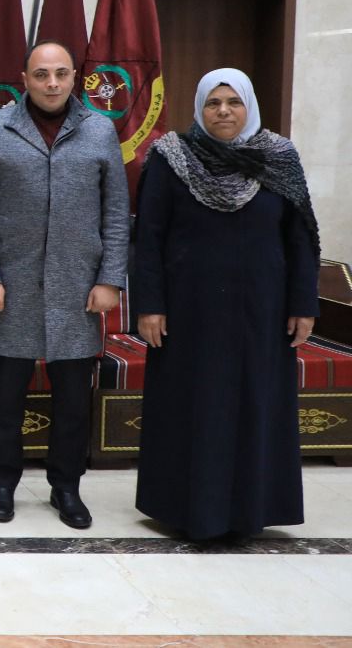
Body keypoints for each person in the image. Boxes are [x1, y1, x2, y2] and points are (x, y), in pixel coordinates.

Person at [133, 68, 319, 540]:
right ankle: (187, 509)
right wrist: (149, 305)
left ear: (249, 106)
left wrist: (303, 304)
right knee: (194, 407)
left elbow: (301, 239)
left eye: (233, 102)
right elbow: (148, 237)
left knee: (255, 405)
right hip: (188, 313)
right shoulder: (171, 157)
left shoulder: (279, 157)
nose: (223, 111)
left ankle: (250, 510)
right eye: (213, 103)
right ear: (199, 108)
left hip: (264, 313)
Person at [0, 40, 129, 529]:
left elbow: (116, 212)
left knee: (73, 402)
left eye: (60, 73)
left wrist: (110, 280)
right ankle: (1, 484)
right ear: (25, 79)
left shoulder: (99, 130)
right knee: (5, 399)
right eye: (41, 74)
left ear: (75, 77)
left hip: (79, 290)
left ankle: (66, 487)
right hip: (10, 288)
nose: (51, 83)